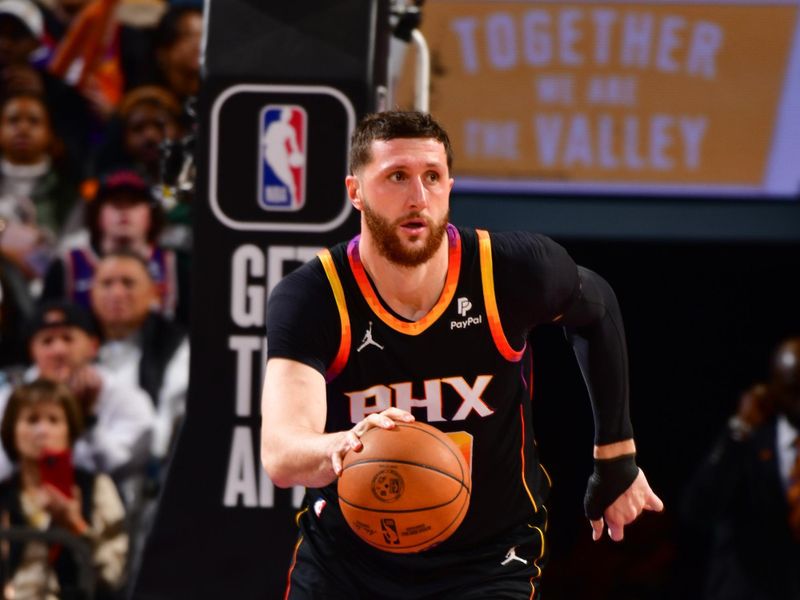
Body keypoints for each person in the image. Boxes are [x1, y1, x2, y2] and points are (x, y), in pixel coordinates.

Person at [260, 110, 663, 598]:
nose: (418, 197)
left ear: (450, 185)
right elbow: (281, 452)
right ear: (356, 192)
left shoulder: (510, 271)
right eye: (397, 177)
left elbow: (598, 309)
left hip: (488, 558)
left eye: (432, 177)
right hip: (349, 561)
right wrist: (338, 448)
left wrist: (616, 457)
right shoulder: (314, 298)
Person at [681, 337, 800, 600]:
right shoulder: (745, 443)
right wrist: (739, 428)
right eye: (794, 390)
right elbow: (698, 508)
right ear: (774, 388)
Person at [0, 299, 155, 493]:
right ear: (32, 350)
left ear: (93, 345)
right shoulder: (9, 398)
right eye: (47, 341)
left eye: (68, 338)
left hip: (107, 504)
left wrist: (88, 420)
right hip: (19, 504)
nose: (58, 350)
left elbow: (122, 470)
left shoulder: (127, 397)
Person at [0, 378, 128, 599]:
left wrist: (76, 525)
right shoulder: (3, 496)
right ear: (12, 431)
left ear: (70, 431)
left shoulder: (97, 488)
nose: (42, 431)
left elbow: (114, 576)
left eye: (54, 420)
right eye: (32, 420)